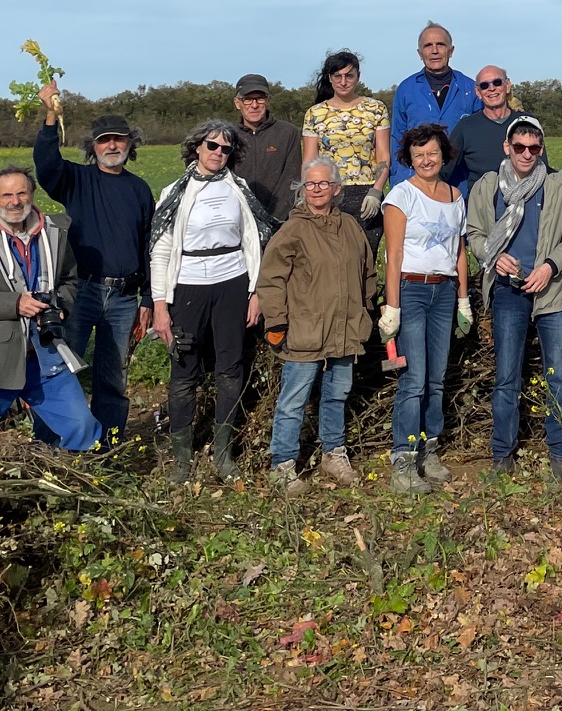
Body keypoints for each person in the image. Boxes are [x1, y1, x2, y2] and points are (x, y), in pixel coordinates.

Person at [149, 121, 275, 484]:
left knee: (231, 369)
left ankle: (223, 454)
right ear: (196, 147)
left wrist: (256, 292)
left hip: (233, 284)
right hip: (187, 287)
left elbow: (254, 241)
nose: (219, 153)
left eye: (226, 148)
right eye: (212, 145)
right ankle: (181, 461)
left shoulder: (240, 189)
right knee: (184, 371)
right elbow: (160, 250)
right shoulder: (175, 192)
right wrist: (161, 305)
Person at [0, 166, 101, 452]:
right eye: (6, 195)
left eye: (21, 193)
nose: (15, 201)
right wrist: (15, 304)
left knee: (82, 427)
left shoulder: (54, 234)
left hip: (45, 353)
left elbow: (69, 281)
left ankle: (73, 487)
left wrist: (60, 306)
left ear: (32, 195)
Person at [31, 83, 156, 445]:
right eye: (104, 140)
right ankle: (48, 445)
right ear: (93, 146)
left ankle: (108, 444)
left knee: (113, 378)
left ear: (130, 144)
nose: (112, 146)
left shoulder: (139, 190)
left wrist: (147, 298)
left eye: (119, 139)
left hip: (123, 299)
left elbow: (149, 245)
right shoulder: (75, 180)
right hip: (81, 292)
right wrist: (51, 114)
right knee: (60, 371)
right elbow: (46, 164)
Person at [466, 115, 562, 485]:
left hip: (551, 292)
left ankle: (559, 455)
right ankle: (502, 455)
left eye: (534, 147)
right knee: (507, 377)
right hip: (507, 291)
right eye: (519, 146)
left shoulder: (556, 184)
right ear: (507, 147)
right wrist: (492, 255)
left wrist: (550, 267)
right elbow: (474, 233)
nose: (527, 153)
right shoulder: (489, 186)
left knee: (559, 377)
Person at [259, 159, 378, 492]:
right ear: (302, 190)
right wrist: (277, 321)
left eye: (323, 184)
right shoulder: (293, 229)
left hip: (345, 330)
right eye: (310, 184)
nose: (316, 190)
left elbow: (367, 272)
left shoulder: (351, 227)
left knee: (337, 396)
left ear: (337, 189)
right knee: (293, 400)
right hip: (305, 331)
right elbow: (271, 279)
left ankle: (333, 454)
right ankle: (282, 465)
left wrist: (366, 311)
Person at [379, 123, 471, 494]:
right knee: (413, 379)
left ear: (443, 154)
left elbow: (460, 251)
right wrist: (392, 307)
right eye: (419, 155)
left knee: (437, 377)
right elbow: (394, 254)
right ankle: (403, 458)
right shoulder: (401, 196)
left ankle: (428, 450)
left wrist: (463, 298)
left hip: (444, 291)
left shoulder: (454, 196)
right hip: (412, 290)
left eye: (432, 153)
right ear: (409, 159)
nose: (426, 160)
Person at [300, 49, 390, 246]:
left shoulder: (376, 109)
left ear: (358, 77)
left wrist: (376, 191)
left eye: (349, 75)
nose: (343, 81)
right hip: (328, 193)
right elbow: (309, 160)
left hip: (366, 195)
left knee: (365, 257)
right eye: (337, 76)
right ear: (330, 79)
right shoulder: (315, 113)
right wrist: (307, 193)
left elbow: (383, 155)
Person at [388, 25, 480, 190]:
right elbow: (397, 141)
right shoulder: (406, 89)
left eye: (441, 44)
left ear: (451, 51)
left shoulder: (470, 89)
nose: (435, 50)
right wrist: (402, 184)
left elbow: (478, 143)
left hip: (460, 185)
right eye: (428, 46)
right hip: (417, 184)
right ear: (420, 53)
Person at [232, 74, 303, 226]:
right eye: (248, 99)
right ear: (237, 103)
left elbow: (291, 179)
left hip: (280, 222)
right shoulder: (227, 135)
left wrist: (272, 220)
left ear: (268, 100)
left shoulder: (288, 133)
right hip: (238, 222)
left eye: (260, 98)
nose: (254, 105)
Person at [450, 67, 523, 186]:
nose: (492, 88)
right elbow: (444, 169)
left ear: (507, 85)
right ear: (478, 92)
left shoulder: (526, 122)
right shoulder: (466, 127)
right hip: (481, 202)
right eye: (484, 86)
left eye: (497, 82)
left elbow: (543, 169)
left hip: (523, 200)